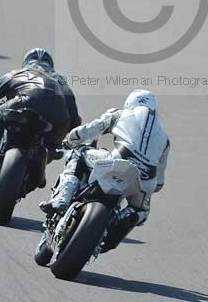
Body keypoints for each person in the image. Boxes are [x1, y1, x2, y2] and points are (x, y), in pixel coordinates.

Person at [40, 89, 170, 251]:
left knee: (78, 153)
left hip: (117, 161)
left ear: (130, 103)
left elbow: (89, 130)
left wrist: (70, 140)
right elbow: (159, 182)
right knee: (140, 211)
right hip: (144, 179)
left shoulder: (120, 114)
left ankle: (62, 198)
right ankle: (112, 232)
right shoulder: (164, 138)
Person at [0, 48, 81, 189]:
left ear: (26, 63)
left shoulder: (17, 73)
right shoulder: (61, 81)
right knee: (52, 146)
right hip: (58, 116)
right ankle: (42, 165)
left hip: (25, 101)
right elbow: (74, 120)